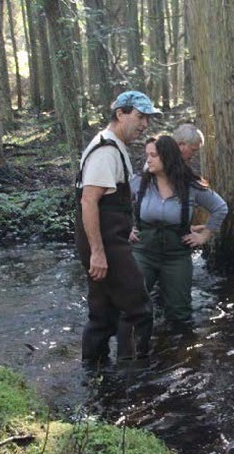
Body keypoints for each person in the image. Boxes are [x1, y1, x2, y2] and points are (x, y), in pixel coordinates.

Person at [74, 90, 161, 363]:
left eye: (147, 118)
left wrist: (126, 229)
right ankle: (136, 376)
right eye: (139, 116)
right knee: (139, 309)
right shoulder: (106, 151)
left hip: (110, 239)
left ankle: (95, 374)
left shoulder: (113, 146)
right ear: (120, 114)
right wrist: (98, 252)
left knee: (103, 313)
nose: (144, 124)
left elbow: (109, 205)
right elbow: (89, 201)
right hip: (105, 245)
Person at [130, 135, 228, 329]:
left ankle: (181, 352)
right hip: (143, 253)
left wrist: (204, 235)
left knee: (180, 313)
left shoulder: (191, 186)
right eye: (147, 155)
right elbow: (114, 201)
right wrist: (124, 227)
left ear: (168, 157)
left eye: (153, 155)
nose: (148, 160)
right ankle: (137, 350)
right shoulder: (139, 182)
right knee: (132, 304)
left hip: (177, 256)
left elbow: (220, 208)